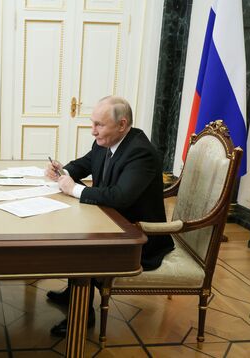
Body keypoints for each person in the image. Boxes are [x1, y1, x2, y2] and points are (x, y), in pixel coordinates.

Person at [45, 96, 174, 337]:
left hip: (139, 237)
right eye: (93, 124)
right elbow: (84, 164)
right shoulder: (106, 141)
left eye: (99, 125)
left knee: (83, 243)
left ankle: (83, 316)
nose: (93, 131)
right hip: (112, 221)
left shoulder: (141, 153)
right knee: (76, 231)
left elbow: (120, 197)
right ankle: (75, 292)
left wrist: (74, 189)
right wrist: (62, 171)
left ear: (122, 124)